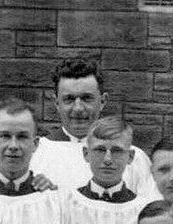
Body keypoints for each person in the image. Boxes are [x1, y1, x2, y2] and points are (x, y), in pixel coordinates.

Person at [31, 57, 153, 195]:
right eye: (69, 99)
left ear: (103, 101)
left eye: (86, 98)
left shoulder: (133, 158)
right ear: (57, 103)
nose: (78, 108)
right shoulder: (36, 154)